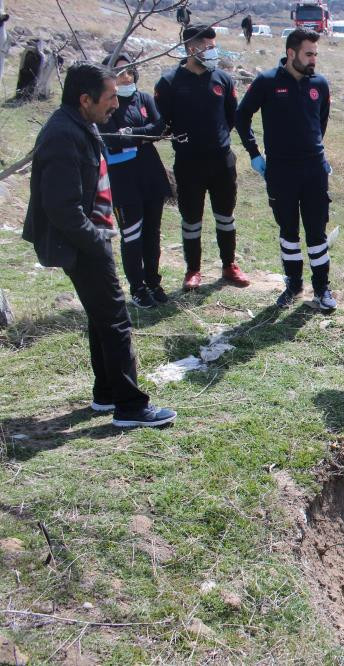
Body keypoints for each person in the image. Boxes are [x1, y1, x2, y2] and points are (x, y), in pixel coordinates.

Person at [22, 62, 176, 428]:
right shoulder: (62, 135)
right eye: (108, 98)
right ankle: (130, 407)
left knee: (101, 318)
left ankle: (106, 393)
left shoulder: (79, 124)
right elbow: (62, 207)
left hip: (89, 238)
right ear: (85, 99)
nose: (114, 105)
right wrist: (99, 242)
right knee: (116, 321)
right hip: (84, 243)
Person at [236, 29, 335, 311]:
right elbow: (241, 116)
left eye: (316, 54)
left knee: (317, 232)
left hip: (314, 169)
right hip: (280, 171)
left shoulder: (320, 84)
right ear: (291, 53)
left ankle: (322, 289)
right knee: (288, 231)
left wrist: (316, 148)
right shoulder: (267, 82)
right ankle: (293, 285)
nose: (314, 59)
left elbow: (321, 121)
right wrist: (254, 153)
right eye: (309, 54)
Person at [154, 25, 250, 292]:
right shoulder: (170, 82)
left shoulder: (222, 79)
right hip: (188, 163)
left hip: (221, 161)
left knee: (226, 216)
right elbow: (163, 121)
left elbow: (232, 117)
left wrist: (216, 139)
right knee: (191, 219)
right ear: (191, 49)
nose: (213, 52)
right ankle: (193, 270)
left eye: (214, 46)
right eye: (207, 47)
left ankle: (229, 265)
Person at [97, 53, 172, 309]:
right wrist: (141, 135)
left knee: (153, 234)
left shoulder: (145, 99)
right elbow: (112, 139)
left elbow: (160, 128)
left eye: (129, 71)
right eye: (119, 72)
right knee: (132, 236)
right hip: (123, 180)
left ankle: (153, 281)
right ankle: (137, 288)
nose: (125, 76)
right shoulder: (108, 104)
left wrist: (131, 134)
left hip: (150, 175)